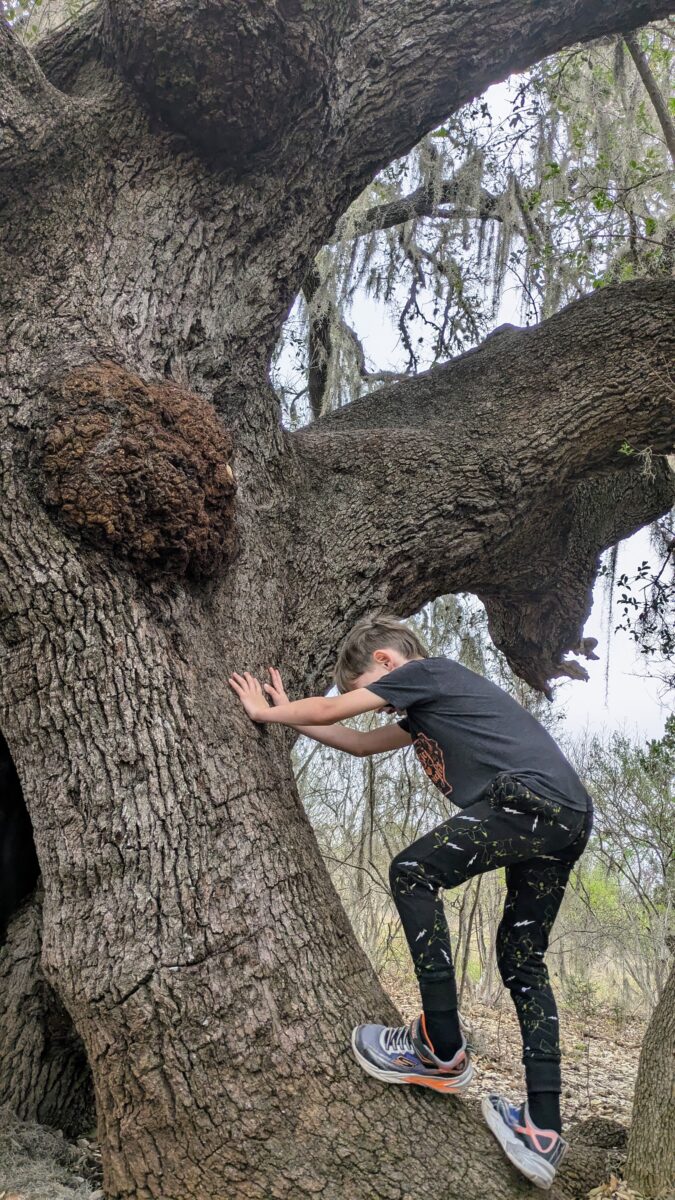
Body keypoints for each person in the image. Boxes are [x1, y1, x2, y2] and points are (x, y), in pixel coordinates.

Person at [228, 613, 594, 1190]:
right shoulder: (428, 708)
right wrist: (292, 718)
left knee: (413, 870)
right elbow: (357, 744)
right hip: (566, 816)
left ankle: (439, 1046)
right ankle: (543, 1128)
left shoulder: (427, 672)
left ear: (384, 664)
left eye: (367, 693)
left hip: (530, 801)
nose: (373, 704)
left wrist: (267, 712)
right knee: (521, 960)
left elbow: (332, 711)